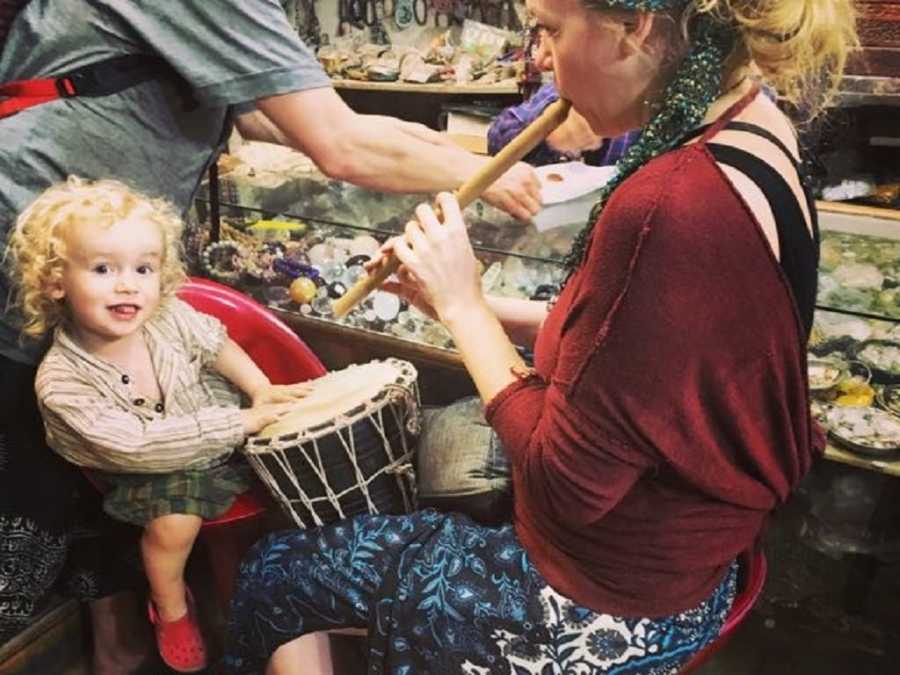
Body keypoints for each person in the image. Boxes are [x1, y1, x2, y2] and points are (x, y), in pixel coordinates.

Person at [223, 0, 857, 673]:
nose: (541, 61)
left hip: (599, 603)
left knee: (275, 570)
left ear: (633, 25)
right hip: (693, 563)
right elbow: (633, 352)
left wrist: (466, 305)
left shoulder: (669, 205)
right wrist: (449, 299)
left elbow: (564, 483)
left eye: (550, 30)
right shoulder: (753, 123)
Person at [0, 1, 540, 669]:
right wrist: (477, 175)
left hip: (105, 257)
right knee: (41, 480)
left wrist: (443, 147)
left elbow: (259, 108)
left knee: (93, 507)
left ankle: (122, 638)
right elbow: (338, 144)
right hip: (44, 245)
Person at [5, 176, 313, 672]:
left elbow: (216, 343)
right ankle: (170, 604)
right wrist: (240, 421)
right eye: (103, 268)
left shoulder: (167, 316)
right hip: (144, 466)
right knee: (175, 520)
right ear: (56, 281)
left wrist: (259, 390)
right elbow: (139, 446)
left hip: (217, 424)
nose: (128, 283)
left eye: (143, 268)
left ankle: (282, 590)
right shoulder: (61, 381)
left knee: (299, 459)